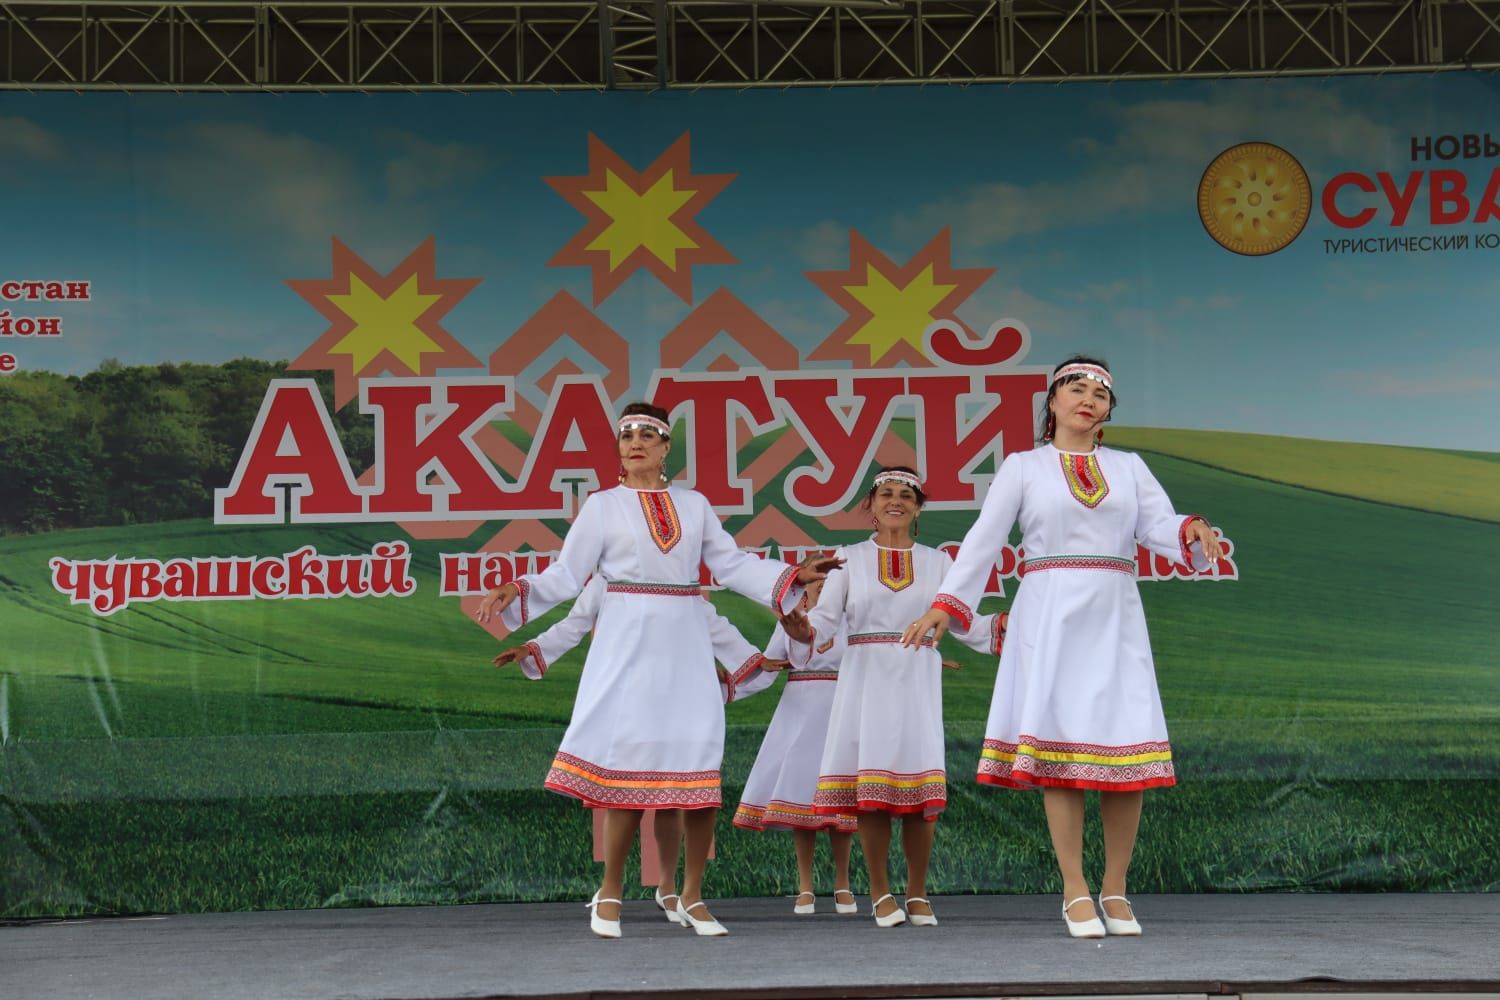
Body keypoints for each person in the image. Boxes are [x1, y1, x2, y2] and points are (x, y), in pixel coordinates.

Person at [476, 401, 840, 939]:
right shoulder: (602, 506)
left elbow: (732, 564)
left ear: (667, 447)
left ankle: (692, 895)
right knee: (629, 766)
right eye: (627, 435)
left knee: (696, 763)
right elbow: (568, 574)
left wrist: (791, 575)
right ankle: (611, 890)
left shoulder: (693, 506)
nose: (636, 442)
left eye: (648, 434)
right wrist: (520, 590)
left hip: (686, 642)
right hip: (628, 643)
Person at [903, 356, 1224, 939]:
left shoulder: (1128, 467)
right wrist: (947, 606)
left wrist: (1188, 530)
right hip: (1050, 610)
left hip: (1114, 612)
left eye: (1101, 394)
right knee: (1064, 756)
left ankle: (1117, 889)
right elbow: (985, 540)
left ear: (1107, 413)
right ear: (1051, 402)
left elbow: (1156, 526)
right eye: (1077, 388)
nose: (1089, 399)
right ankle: (1075, 887)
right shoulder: (1025, 467)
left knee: (1126, 752)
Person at [493, 573, 786, 929]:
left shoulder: (683, 583)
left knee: (683, 793)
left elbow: (713, 624)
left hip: (681, 691)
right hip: (630, 693)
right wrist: (533, 648)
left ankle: (673, 889)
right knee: (627, 794)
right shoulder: (609, 578)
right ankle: (611, 890)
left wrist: (752, 660)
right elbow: (575, 623)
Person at [781, 467, 1003, 928]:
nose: (895, 501)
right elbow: (822, 623)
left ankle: (918, 892)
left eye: (905, 495)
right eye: (885, 494)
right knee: (872, 795)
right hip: (865, 679)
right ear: (871, 505)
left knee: (920, 795)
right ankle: (881, 892)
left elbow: (964, 622)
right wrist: (799, 627)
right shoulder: (849, 558)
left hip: (917, 678)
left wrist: (1016, 626)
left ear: (919, 507)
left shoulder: (940, 563)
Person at [729, 574, 858, 917]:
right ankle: (805, 887)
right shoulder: (791, 622)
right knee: (803, 803)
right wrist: (725, 691)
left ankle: (843, 884)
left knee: (839, 806)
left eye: (831, 585)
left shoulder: (852, 622)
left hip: (839, 710)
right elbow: (768, 667)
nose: (823, 589)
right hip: (799, 710)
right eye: (818, 584)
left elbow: (871, 665)